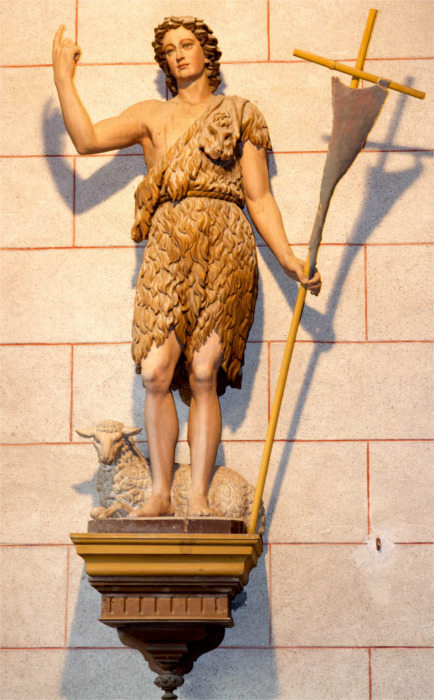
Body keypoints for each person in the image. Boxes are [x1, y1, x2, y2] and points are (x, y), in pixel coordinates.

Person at [52, 16, 321, 518]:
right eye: (170, 48)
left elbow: (259, 197)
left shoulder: (239, 113)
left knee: (202, 372)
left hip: (225, 244)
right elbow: (87, 140)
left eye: (187, 45)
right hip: (168, 246)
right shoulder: (152, 116)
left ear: (206, 52)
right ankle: (159, 492)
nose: (178, 54)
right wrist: (63, 79)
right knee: (155, 371)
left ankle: (196, 495)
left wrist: (288, 258)